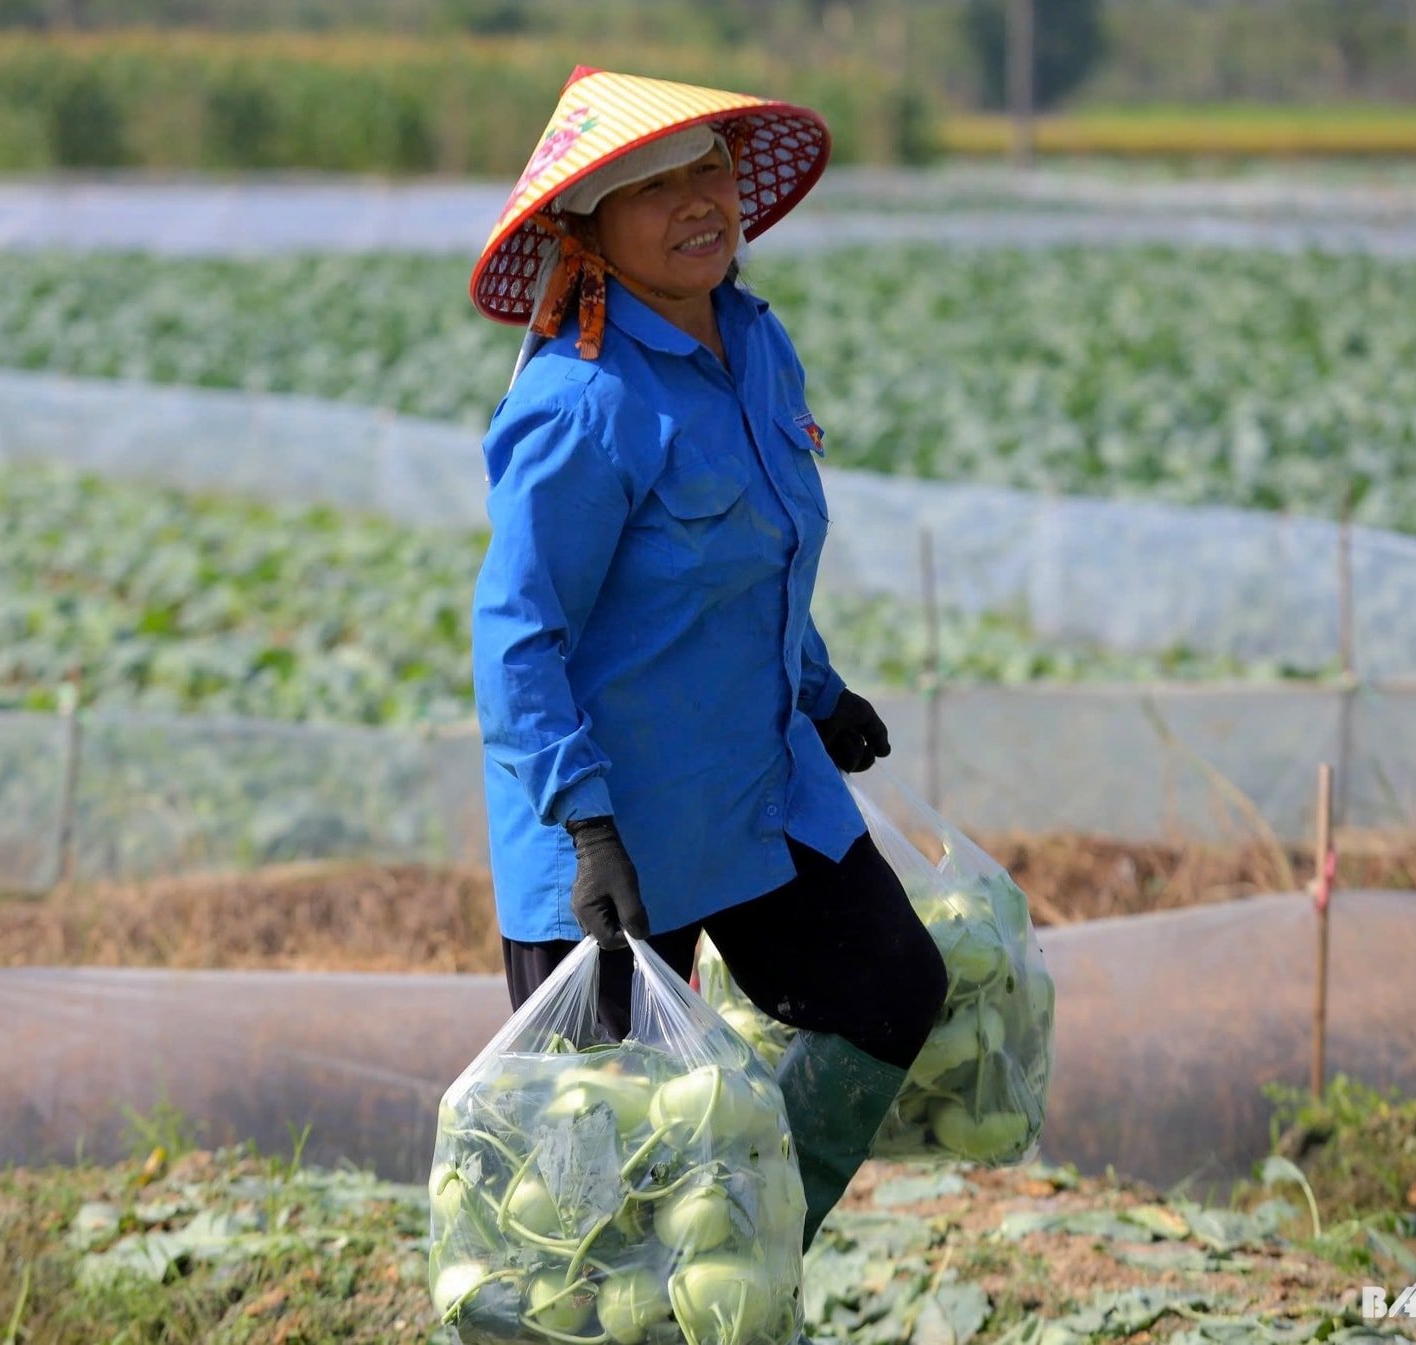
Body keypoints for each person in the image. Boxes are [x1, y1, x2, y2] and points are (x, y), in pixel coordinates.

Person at [467, 65, 948, 1252]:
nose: (699, 203)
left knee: (895, 990)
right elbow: (517, 635)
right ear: (588, 229)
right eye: (656, 186)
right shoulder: (580, 404)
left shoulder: (756, 345)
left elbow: (764, 547)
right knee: (595, 1187)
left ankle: (744, 1242)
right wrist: (584, 824)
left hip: (752, 787)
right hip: (615, 834)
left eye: (711, 171)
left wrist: (821, 691)